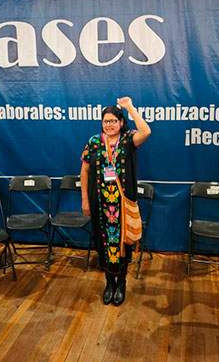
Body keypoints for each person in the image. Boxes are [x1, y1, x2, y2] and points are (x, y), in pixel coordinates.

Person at [80, 97, 151, 306]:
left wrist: (129, 107)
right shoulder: (94, 142)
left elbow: (146, 131)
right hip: (99, 205)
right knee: (103, 244)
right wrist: (85, 200)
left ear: (121, 122)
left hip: (122, 206)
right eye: (105, 121)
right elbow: (84, 171)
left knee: (123, 245)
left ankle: (121, 283)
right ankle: (109, 283)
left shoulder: (128, 140)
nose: (109, 124)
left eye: (113, 121)